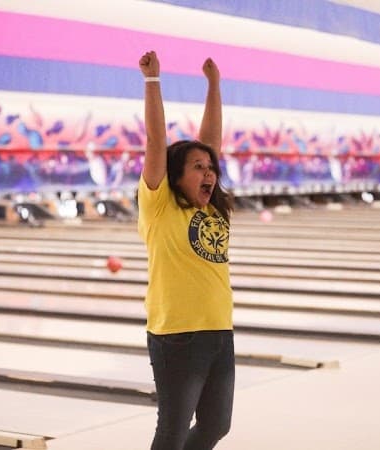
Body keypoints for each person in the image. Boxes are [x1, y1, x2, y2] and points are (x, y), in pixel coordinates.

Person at [137, 50, 235, 450]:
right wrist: (152, 81)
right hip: (177, 334)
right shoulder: (159, 206)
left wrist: (214, 85)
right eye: (197, 167)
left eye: (210, 168)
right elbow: (156, 142)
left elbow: (210, 141)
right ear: (175, 176)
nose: (208, 172)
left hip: (219, 328)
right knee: (173, 431)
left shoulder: (211, 206)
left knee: (216, 426)